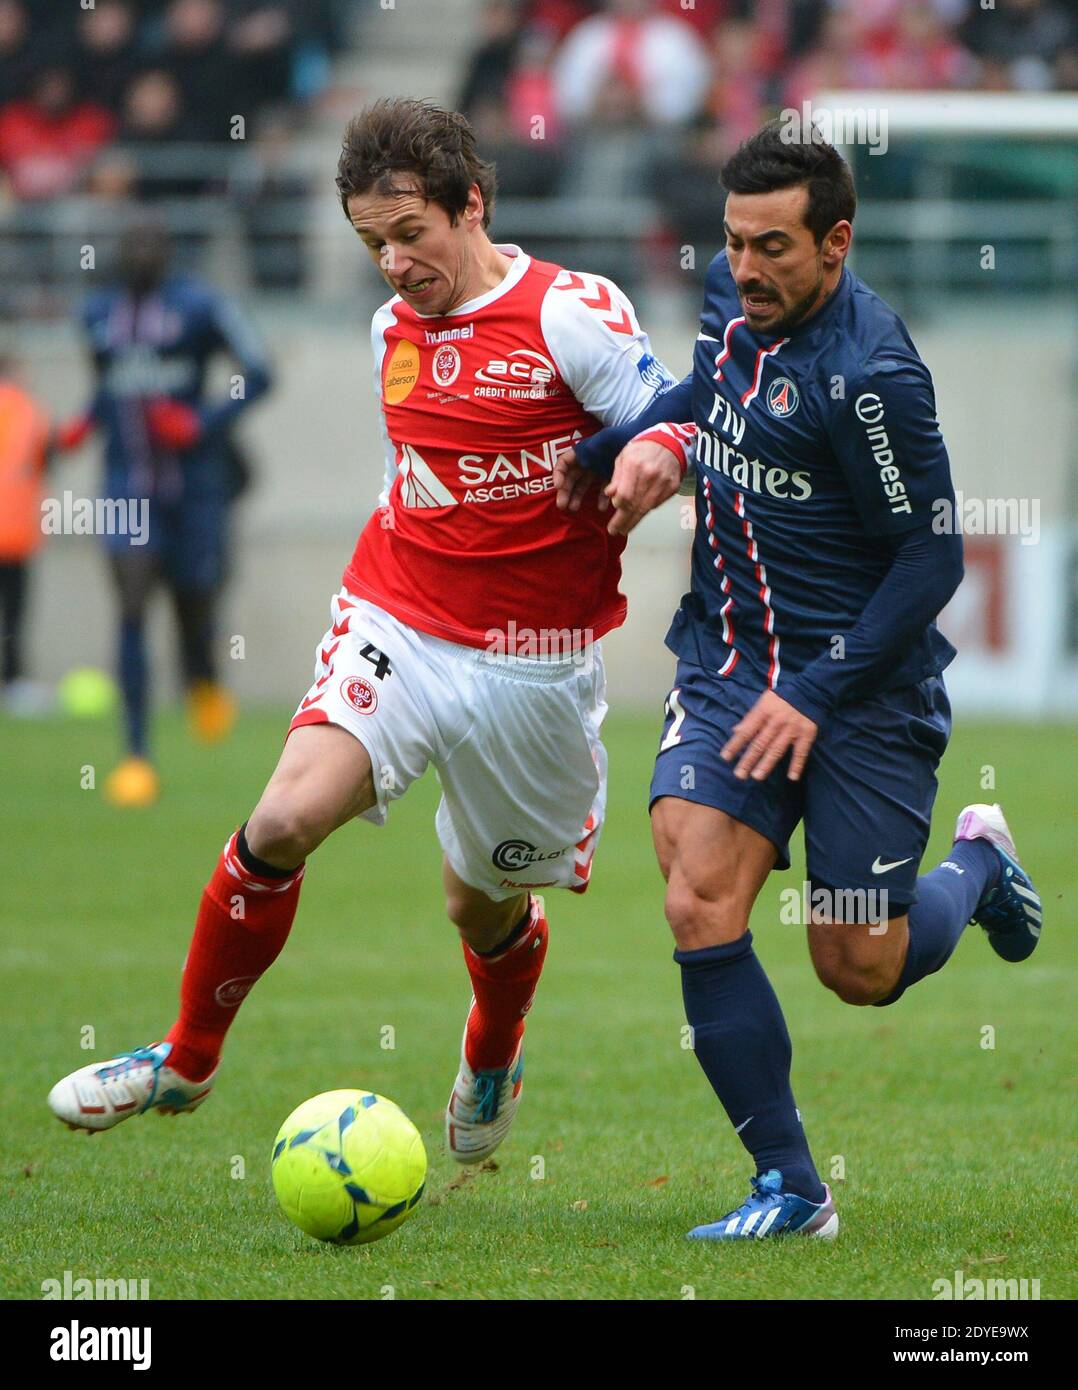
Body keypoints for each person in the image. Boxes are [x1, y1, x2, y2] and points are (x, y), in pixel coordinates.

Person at [47, 99, 679, 1165]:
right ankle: (188, 1056)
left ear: (469, 204)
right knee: (284, 818)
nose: (390, 264)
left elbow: (672, 410)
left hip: (535, 663)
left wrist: (652, 454)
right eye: (369, 243)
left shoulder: (572, 314)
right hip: (399, 616)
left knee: (479, 904)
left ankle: (491, 1044)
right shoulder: (392, 328)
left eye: (408, 234)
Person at [554, 119, 1043, 1240]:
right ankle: (790, 1186)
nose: (746, 267)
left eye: (774, 246)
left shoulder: (872, 375)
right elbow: (704, 398)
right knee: (696, 891)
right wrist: (612, 452)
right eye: (733, 241)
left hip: (860, 692)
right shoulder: (735, 308)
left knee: (856, 964)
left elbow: (929, 557)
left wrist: (816, 691)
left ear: (836, 242)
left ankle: (977, 864)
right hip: (730, 661)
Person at [55, 217, 273, 806]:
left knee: (195, 597)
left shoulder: (201, 308)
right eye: (131, 241)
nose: (140, 250)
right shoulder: (97, 315)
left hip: (194, 489)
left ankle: (203, 679)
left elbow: (260, 371)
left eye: (151, 242)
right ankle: (135, 755)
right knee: (130, 604)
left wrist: (203, 422)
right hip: (127, 488)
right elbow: (111, 386)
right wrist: (80, 424)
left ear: (170, 253)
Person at [0, 349, 50, 712]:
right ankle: (13, 681)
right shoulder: (29, 410)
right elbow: (49, 456)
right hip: (15, 532)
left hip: (15, 531)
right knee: (13, 613)